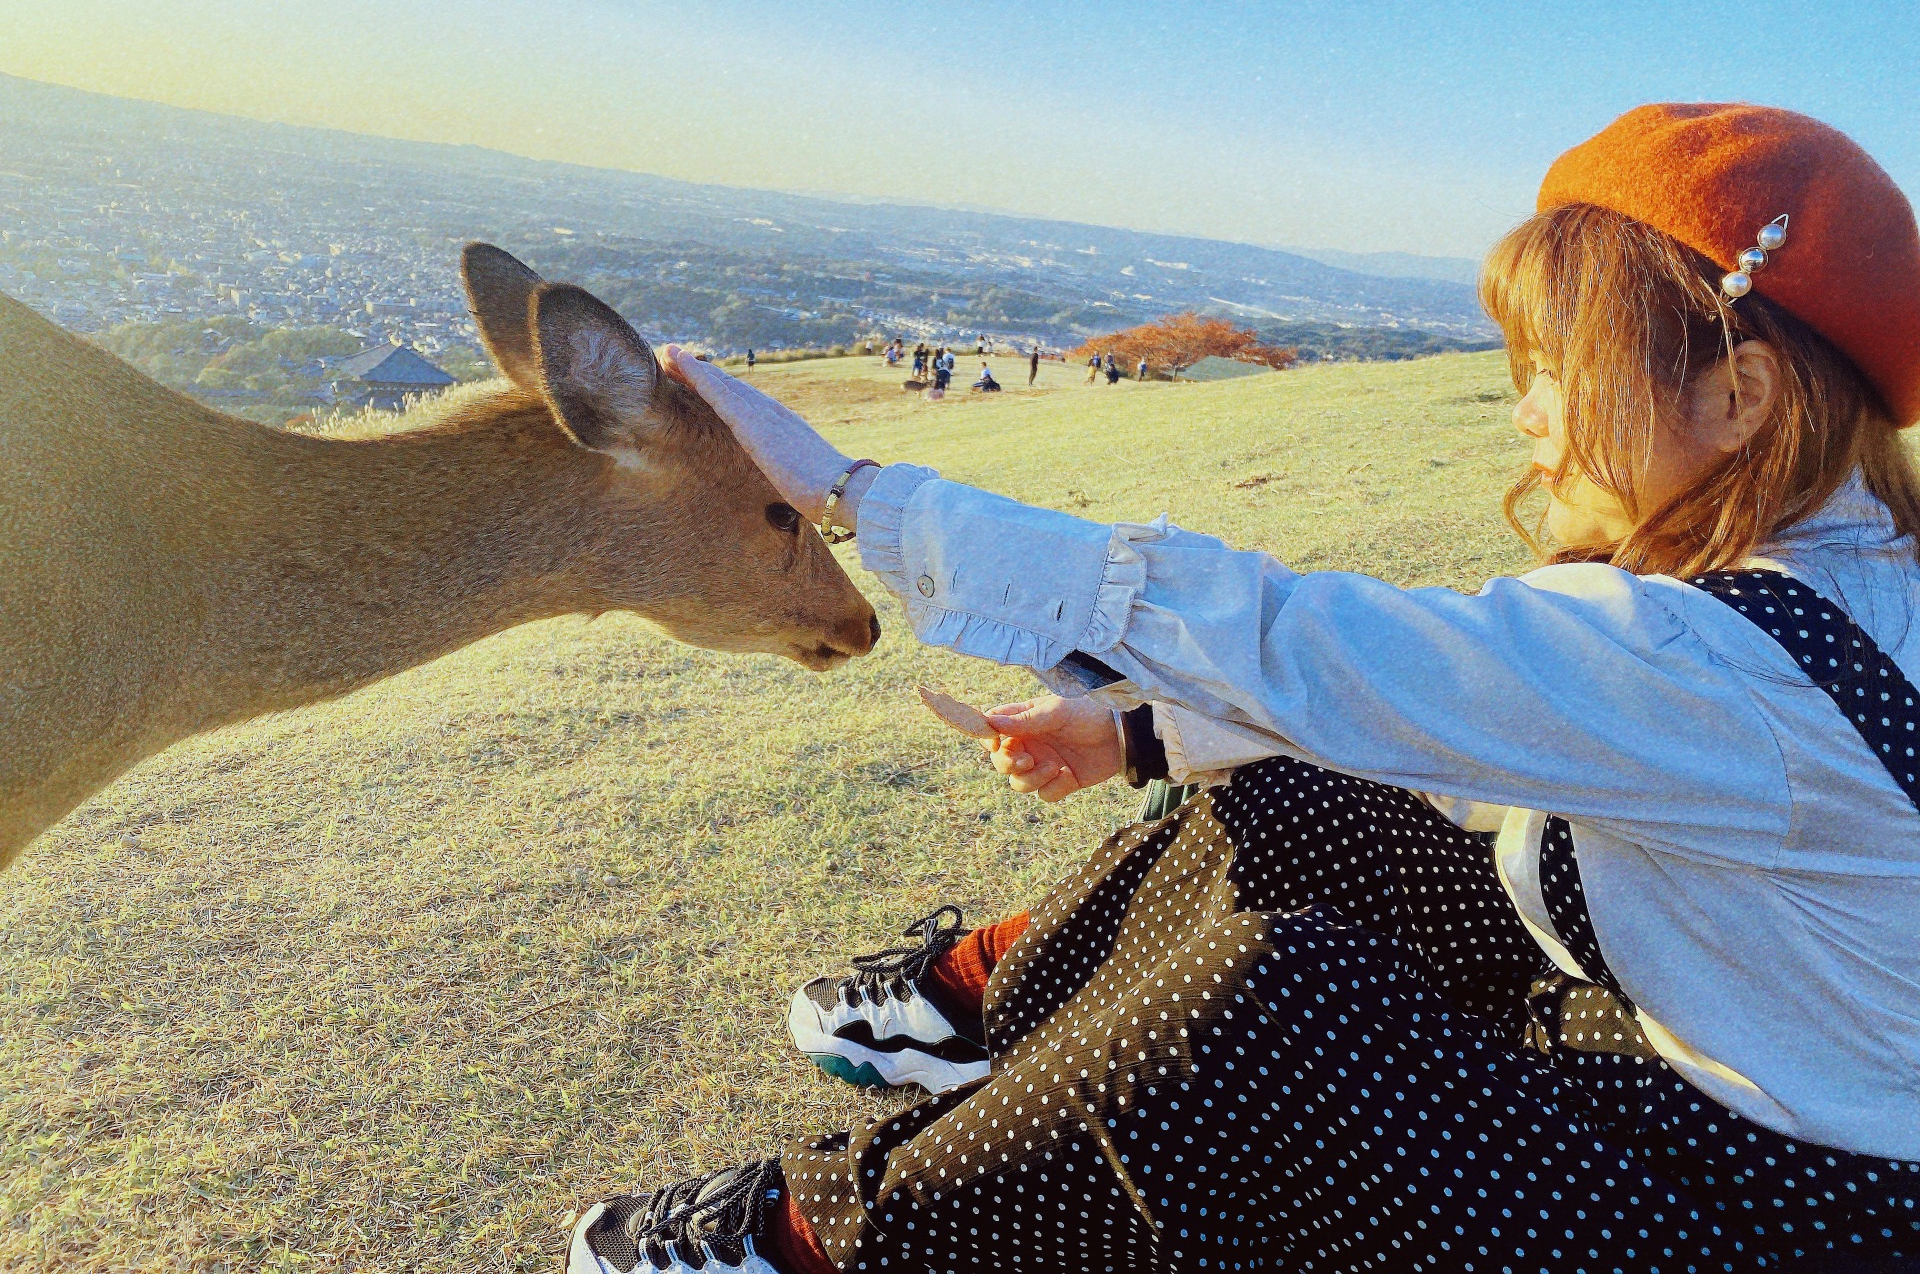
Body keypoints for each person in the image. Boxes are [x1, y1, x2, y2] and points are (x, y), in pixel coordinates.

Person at [568, 103, 1920, 1274]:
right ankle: (985, 1026)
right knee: (1309, 801)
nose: (1530, 413)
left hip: (1780, 1206)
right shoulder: (1815, 576)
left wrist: (848, 492)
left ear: (1742, 396)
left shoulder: (1725, 659)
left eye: (1565, 371)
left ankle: (818, 1247)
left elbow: (1302, 639)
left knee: (1268, 1019)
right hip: (1694, 1035)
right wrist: (1144, 728)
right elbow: (1447, 716)